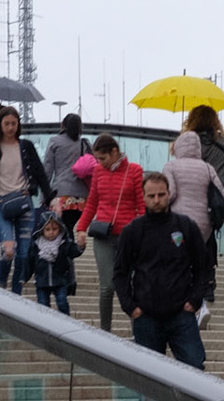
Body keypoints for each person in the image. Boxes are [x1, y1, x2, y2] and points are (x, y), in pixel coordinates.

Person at [113, 174, 213, 401]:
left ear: (170, 194)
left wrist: (194, 299)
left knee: (194, 366)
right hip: (146, 317)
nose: (157, 200)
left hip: (181, 314)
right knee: (147, 379)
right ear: (143, 198)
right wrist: (130, 307)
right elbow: (120, 273)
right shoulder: (134, 231)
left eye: (161, 194)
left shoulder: (185, 226)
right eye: (151, 195)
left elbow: (203, 267)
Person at [0, 108, 52, 293]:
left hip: (24, 202)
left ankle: (16, 294)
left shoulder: (26, 147)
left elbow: (40, 173)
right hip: (0, 204)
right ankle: (1, 284)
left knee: (23, 255)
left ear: (18, 125)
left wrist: (51, 198)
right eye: (6, 124)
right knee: (9, 250)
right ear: (0, 126)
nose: (10, 127)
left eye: (13, 124)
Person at [74, 135, 146, 331]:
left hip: (127, 236)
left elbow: (142, 205)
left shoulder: (134, 171)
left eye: (103, 158)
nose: (100, 163)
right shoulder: (98, 172)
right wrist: (81, 228)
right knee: (107, 286)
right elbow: (93, 202)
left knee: (129, 284)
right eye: (97, 159)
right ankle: (105, 331)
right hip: (103, 234)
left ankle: (137, 331)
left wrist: (146, 232)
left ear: (115, 152)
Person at [160, 132, 224, 302]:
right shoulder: (207, 167)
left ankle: (181, 294)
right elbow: (223, 195)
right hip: (203, 225)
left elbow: (171, 193)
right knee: (197, 258)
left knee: (179, 257)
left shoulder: (171, 166)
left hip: (178, 224)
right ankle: (201, 295)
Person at [182, 105, 224, 306]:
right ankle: (208, 281)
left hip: (189, 198)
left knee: (186, 239)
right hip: (214, 199)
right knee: (208, 238)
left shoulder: (186, 144)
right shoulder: (222, 144)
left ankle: (190, 279)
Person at [43, 113, 90, 235]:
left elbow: (47, 170)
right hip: (80, 199)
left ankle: (67, 252)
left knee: (61, 230)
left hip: (61, 195)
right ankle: (70, 251)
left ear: (63, 125)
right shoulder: (83, 144)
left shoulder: (54, 141)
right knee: (68, 228)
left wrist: (45, 196)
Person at [31, 212, 81, 315]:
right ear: (42, 230)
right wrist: (23, 276)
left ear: (60, 229)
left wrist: (80, 246)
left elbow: (73, 252)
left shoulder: (63, 243)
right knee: (43, 305)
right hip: (42, 280)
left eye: (55, 229)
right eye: (48, 229)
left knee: (62, 302)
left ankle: (66, 322)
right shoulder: (36, 245)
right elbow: (29, 261)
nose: (51, 232)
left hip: (60, 279)